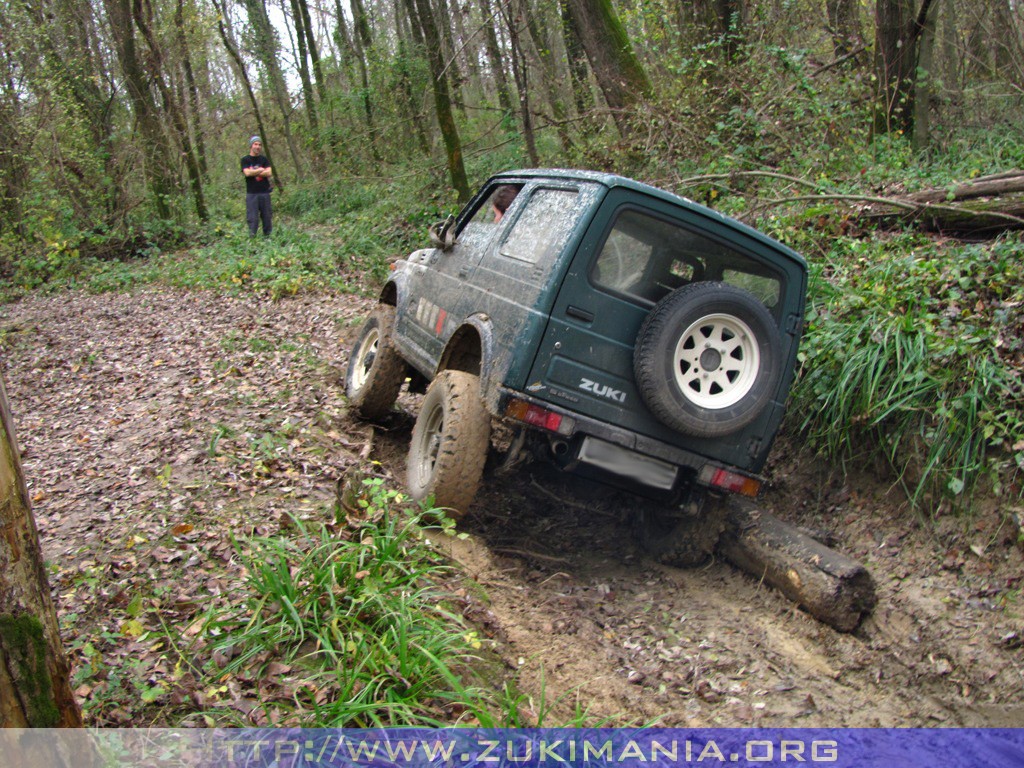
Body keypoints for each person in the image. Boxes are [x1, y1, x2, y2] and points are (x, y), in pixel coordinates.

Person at [241, 136, 273, 236]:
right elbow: (247, 173)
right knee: (252, 218)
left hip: (264, 192)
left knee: (267, 216)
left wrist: (253, 172)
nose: (258, 147)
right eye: (255, 144)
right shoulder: (245, 160)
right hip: (252, 193)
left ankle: (268, 237)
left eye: (259, 145)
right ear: (251, 146)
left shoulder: (264, 159)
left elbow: (269, 173)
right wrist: (260, 170)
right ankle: (252, 237)